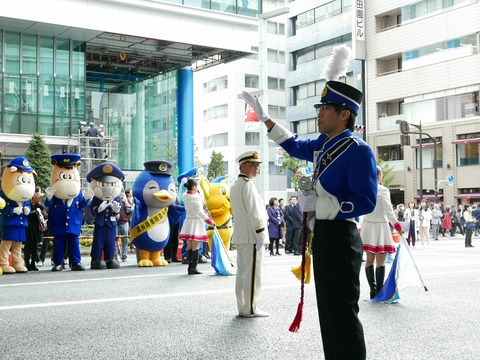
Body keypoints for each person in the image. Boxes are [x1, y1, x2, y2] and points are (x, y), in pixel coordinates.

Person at [241, 79, 377, 358]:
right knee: (328, 312)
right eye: (320, 107)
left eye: (326, 107)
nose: (319, 112)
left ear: (344, 114)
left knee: (343, 313)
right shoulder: (323, 144)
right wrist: (266, 119)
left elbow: (366, 200)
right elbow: (293, 144)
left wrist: (320, 202)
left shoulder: (358, 149)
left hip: (342, 236)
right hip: (324, 235)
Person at [230, 150, 269, 318]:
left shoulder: (235, 184)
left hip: (241, 235)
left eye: (257, 165)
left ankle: (243, 306)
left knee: (242, 272)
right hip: (252, 236)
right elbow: (255, 213)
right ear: (242, 166)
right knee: (253, 274)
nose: (256, 168)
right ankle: (251, 308)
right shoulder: (247, 185)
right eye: (252, 165)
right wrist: (261, 235)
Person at [361, 166, 403, 299]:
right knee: (381, 262)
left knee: (369, 260)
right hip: (381, 226)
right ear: (379, 175)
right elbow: (389, 211)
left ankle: (372, 290)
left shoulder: (363, 188)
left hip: (367, 225)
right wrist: (398, 226)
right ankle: (379, 291)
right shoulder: (383, 190)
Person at [178, 178, 213, 275]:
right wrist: (209, 221)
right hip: (196, 222)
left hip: (188, 221)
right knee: (195, 246)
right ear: (194, 187)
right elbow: (200, 212)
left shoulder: (185, 196)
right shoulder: (196, 197)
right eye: (196, 186)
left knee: (189, 246)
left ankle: (190, 267)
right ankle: (193, 268)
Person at [24, 187, 47, 271]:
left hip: (35, 226)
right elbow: (27, 212)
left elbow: (44, 211)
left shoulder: (38, 204)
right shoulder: (27, 201)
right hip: (28, 226)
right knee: (28, 245)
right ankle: (27, 262)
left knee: (34, 246)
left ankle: (33, 263)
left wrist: (39, 205)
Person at [116, 189, 130, 262]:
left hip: (125, 222)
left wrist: (127, 203)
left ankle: (124, 255)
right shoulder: (115, 200)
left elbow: (130, 210)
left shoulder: (126, 201)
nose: (121, 194)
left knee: (125, 240)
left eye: (122, 192)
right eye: (120, 192)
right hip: (116, 223)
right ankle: (115, 255)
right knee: (115, 240)